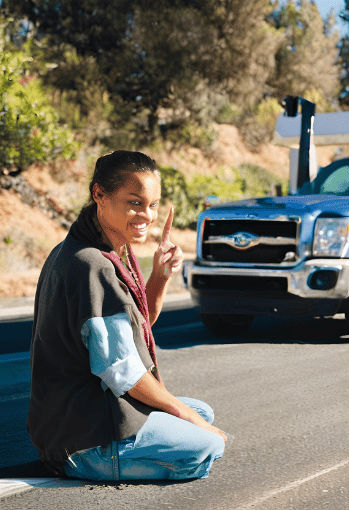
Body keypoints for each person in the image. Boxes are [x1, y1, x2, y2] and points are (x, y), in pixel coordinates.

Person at [27, 150, 229, 481]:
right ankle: (95, 465)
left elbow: (138, 328)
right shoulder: (93, 266)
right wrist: (191, 422)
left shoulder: (94, 250)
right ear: (99, 195)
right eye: (135, 202)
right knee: (207, 445)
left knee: (201, 411)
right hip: (85, 438)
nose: (146, 215)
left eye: (153, 204)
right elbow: (124, 372)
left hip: (71, 418)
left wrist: (160, 277)